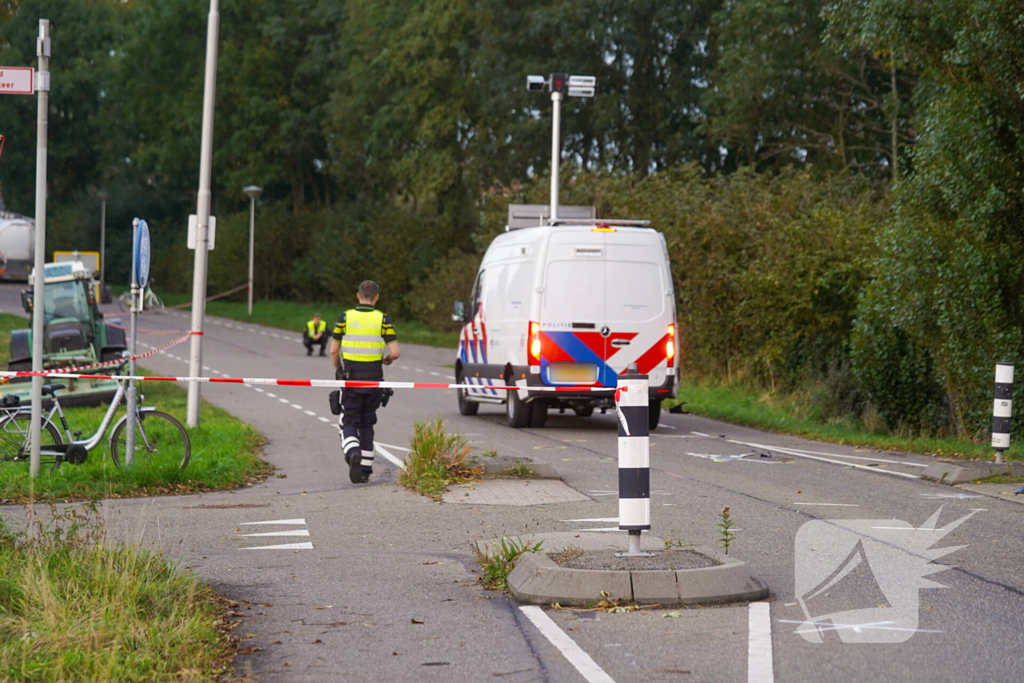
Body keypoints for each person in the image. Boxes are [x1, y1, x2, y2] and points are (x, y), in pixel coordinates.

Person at [330, 280, 400, 483]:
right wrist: (388, 358)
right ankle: (365, 472)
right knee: (367, 423)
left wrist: (339, 370)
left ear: (358, 296)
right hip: (375, 382)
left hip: (351, 380)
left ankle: (353, 452)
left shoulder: (345, 317)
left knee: (349, 420)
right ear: (376, 297)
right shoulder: (383, 319)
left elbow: (333, 351)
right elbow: (395, 352)